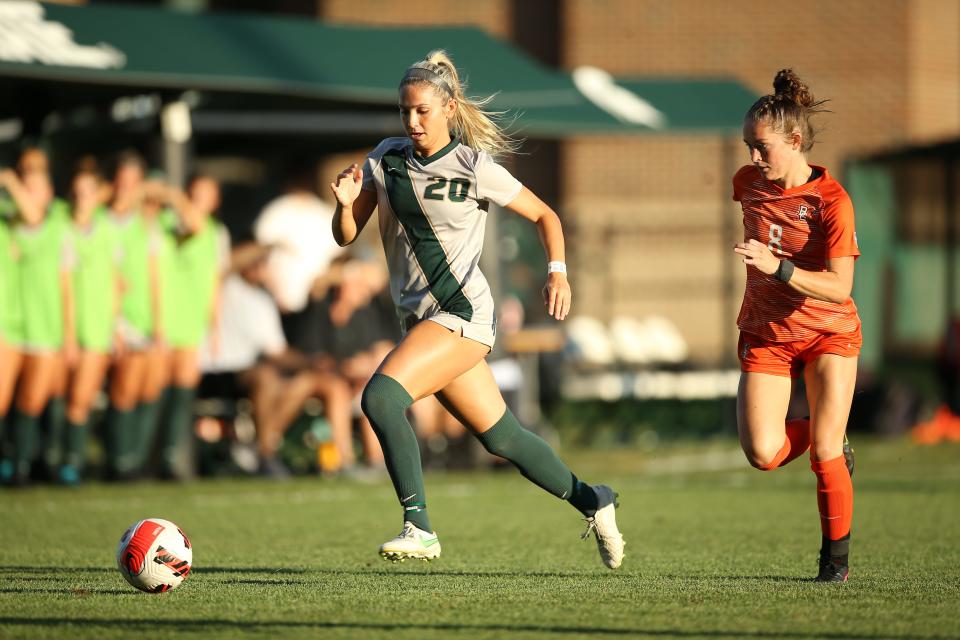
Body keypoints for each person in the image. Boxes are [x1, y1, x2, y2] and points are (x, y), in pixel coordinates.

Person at [330, 50, 624, 568]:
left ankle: (418, 527)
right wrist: (344, 204)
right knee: (503, 438)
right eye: (405, 111)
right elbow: (345, 236)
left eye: (422, 110)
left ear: (447, 108)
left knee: (380, 397)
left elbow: (545, 215)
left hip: (462, 313)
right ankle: (592, 499)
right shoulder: (385, 158)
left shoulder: (473, 165)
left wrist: (558, 271)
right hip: (422, 321)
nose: (412, 121)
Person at [732, 69, 859, 583]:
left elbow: (840, 286)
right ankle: (836, 440)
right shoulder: (746, 184)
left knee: (823, 451)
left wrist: (778, 267)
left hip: (828, 330)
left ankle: (835, 565)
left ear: (795, 140)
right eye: (747, 146)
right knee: (763, 453)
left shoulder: (834, 202)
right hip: (767, 335)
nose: (753, 158)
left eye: (761, 147)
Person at [198, 242, 353, 478]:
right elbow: (226, 265)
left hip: (255, 370)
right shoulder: (226, 287)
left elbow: (277, 352)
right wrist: (269, 246)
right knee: (267, 376)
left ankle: (263, 450)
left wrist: (312, 363)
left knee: (309, 381)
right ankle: (263, 452)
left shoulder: (262, 300)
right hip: (220, 369)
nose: (260, 267)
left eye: (262, 263)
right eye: (256, 262)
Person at [60, 168, 122, 484]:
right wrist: (69, 335)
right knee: (51, 396)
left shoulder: (108, 233)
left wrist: (115, 326)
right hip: (59, 327)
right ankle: (42, 459)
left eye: (89, 191)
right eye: (78, 191)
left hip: (97, 329)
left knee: (81, 398)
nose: (83, 198)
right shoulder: (60, 228)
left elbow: (115, 283)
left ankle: (72, 462)